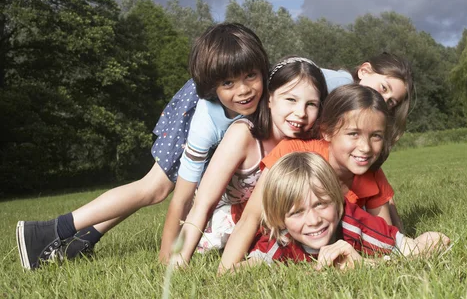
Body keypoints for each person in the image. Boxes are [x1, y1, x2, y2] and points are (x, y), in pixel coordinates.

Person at [16, 23, 271, 270]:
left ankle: (83, 239)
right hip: (196, 105)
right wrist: (166, 260)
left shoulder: (266, 94)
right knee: (156, 188)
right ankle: (48, 232)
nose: (244, 90)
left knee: (157, 188)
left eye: (251, 76)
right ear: (216, 86)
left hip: (218, 104)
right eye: (230, 83)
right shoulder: (205, 118)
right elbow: (181, 200)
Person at [219, 84, 404, 272]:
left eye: (376, 136)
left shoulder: (370, 174)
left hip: (313, 235)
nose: (365, 147)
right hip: (261, 232)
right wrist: (225, 270)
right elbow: (250, 217)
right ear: (327, 131)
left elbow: (384, 241)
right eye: (354, 134)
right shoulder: (295, 155)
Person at [163, 57, 328, 265]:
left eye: (311, 104)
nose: (300, 113)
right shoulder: (243, 135)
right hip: (223, 218)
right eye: (291, 100)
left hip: (265, 218)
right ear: (269, 98)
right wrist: (178, 263)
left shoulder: (306, 143)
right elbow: (202, 205)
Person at [244, 152, 450, 268]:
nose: (314, 220)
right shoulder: (281, 238)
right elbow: (239, 272)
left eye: (321, 204)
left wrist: (364, 265)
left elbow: (437, 240)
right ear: (279, 219)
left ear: (337, 201)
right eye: (297, 212)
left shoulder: (354, 224)